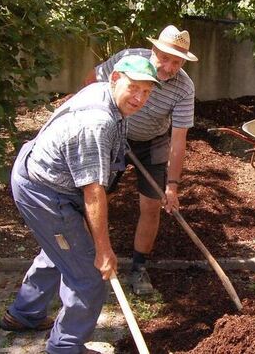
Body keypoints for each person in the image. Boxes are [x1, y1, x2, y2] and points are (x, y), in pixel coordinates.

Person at [0, 56, 160, 354]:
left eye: (147, 92)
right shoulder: (96, 124)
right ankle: (65, 347)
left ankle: (24, 314)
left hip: (40, 172)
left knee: (61, 249)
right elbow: (93, 191)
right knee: (87, 274)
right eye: (133, 88)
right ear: (115, 79)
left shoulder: (103, 93)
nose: (140, 98)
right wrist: (103, 250)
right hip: (45, 191)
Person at [83, 25, 198, 295]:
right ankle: (91, 262)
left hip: (153, 142)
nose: (169, 67)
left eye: (177, 61)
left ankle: (138, 268)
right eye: (165, 58)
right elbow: (92, 81)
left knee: (151, 205)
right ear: (153, 50)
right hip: (114, 133)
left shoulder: (184, 87)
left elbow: (178, 138)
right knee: (98, 196)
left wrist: (172, 184)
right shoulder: (128, 60)